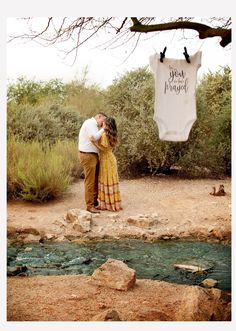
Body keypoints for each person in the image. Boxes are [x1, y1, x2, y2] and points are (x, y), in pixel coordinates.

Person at [90, 117, 122, 211]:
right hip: (111, 158)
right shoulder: (112, 134)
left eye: (104, 123)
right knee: (110, 180)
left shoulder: (104, 135)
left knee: (106, 180)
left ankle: (107, 205)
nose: (102, 124)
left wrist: (94, 142)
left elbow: (103, 149)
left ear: (106, 124)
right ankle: (113, 204)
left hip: (106, 160)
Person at [78, 112, 107, 213]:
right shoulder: (91, 123)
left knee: (94, 180)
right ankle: (89, 205)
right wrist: (104, 129)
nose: (102, 124)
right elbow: (93, 137)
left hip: (92, 155)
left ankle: (94, 202)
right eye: (103, 121)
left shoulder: (93, 125)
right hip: (87, 155)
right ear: (99, 117)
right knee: (90, 181)